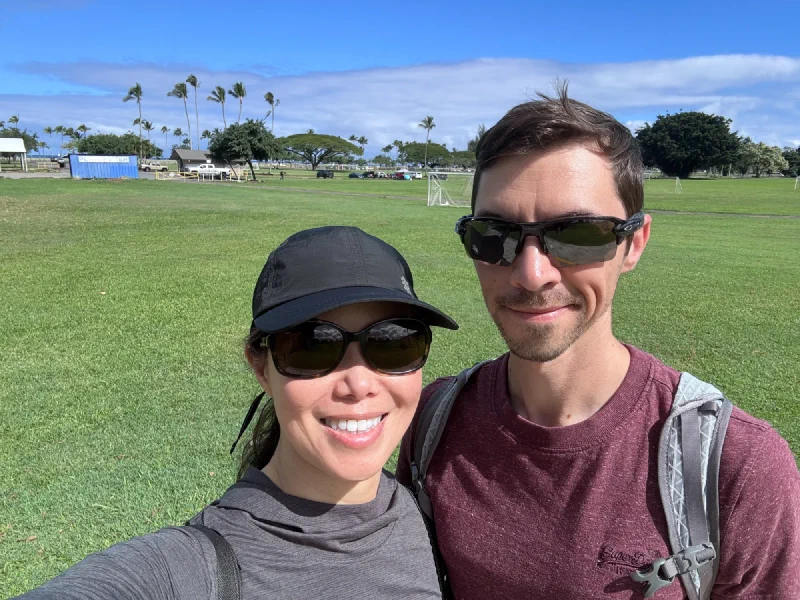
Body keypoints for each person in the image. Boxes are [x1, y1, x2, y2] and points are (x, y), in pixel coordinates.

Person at [396, 86, 800, 598]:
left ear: (634, 244)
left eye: (579, 234)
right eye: (493, 235)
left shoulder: (737, 465)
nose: (531, 273)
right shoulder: (435, 420)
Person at [18, 225, 458, 600]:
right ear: (261, 367)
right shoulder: (190, 566)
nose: (359, 384)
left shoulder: (431, 519)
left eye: (394, 342)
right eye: (313, 346)